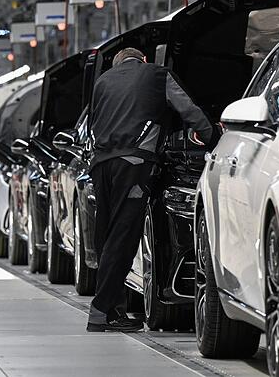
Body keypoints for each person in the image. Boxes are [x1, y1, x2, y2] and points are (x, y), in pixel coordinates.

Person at [86, 47, 213, 332]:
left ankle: (113, 312)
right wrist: (211, 136)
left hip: (101, 164)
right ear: (144, 60)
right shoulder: (157, 74)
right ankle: (99, 312)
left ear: (118, 64)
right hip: (133, 163)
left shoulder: (103, 81)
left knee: (108, 237)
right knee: (124, 236)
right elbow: (188, 109)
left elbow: (95, 121)